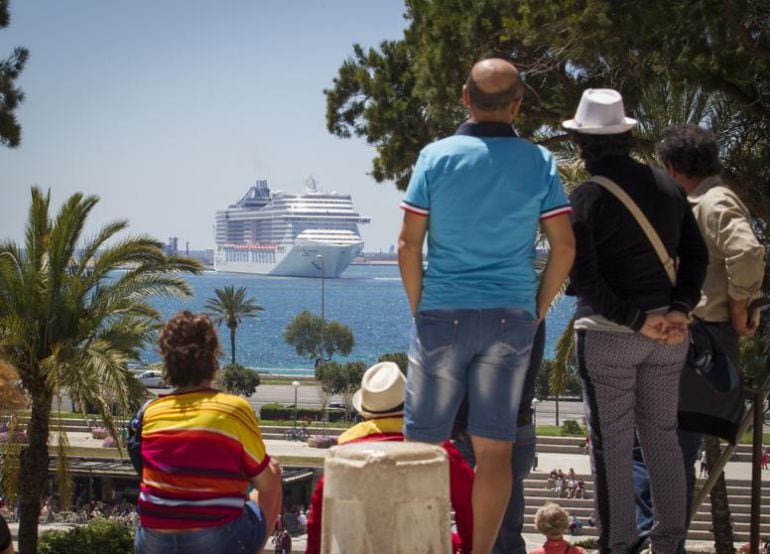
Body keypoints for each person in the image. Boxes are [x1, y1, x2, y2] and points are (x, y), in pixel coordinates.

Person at [398, 57, 575, 554]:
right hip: (510, 316)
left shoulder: (435, 157)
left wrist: (421, 306)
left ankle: (422, 546)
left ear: (464, 96)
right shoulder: (539, 161)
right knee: (496, 449)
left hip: (442, 312)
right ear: (517, 104)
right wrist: (536, 308)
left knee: (423, 448)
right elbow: (564, 247)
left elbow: (407, 246)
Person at [565, 89, 708, 553]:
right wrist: (680, 309)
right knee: (663, 441)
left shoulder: (586, 197)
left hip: (611, 337)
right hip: (669, 337)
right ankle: (668, 542)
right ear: (627, 135)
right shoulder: (667, 187)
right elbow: (696, 255)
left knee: (611, 445)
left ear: (582, 143)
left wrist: (634, 319)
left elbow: (585, 277)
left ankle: (620, 543)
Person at [634, 124, 766, 538]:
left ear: (671, 167)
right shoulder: (699, 199)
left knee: (657, 450)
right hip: (690, 342)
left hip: (699, 341)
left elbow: (747, 251)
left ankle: (653, 538)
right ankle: (661, 539)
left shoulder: (714, 199)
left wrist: (742, 304)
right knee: (669, 449)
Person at [132, 311, 282, 554]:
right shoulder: (233, 408)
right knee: (272, 471)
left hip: (153, 541)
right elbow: (265, 482)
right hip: (214, 541)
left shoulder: (151, 412)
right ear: (213, 357)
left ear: (167, 362)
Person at [304, 362, 474, 554]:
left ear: (365, 413)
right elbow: (471, 503)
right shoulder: (436, 449)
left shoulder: (346, 453)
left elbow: (319, 515)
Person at [454, 320, 546, 553]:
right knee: (507, 528)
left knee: (471, 524)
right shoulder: (528, 303)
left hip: (467, 425)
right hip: (515, 421)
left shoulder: (454, 302)